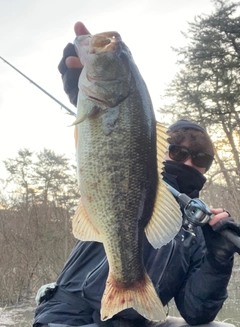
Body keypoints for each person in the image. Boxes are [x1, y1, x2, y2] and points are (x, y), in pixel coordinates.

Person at [33, 22, 240, 327]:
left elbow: (197, 313)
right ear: (160, 150)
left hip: (139, 320)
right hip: (72, 315)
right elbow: (115, 136)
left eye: (201, 157)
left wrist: (218, 259)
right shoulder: (137, 178)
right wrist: (80, 92)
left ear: (207, 165)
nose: (188, 160)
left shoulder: (198, 230)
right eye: (178, 150)